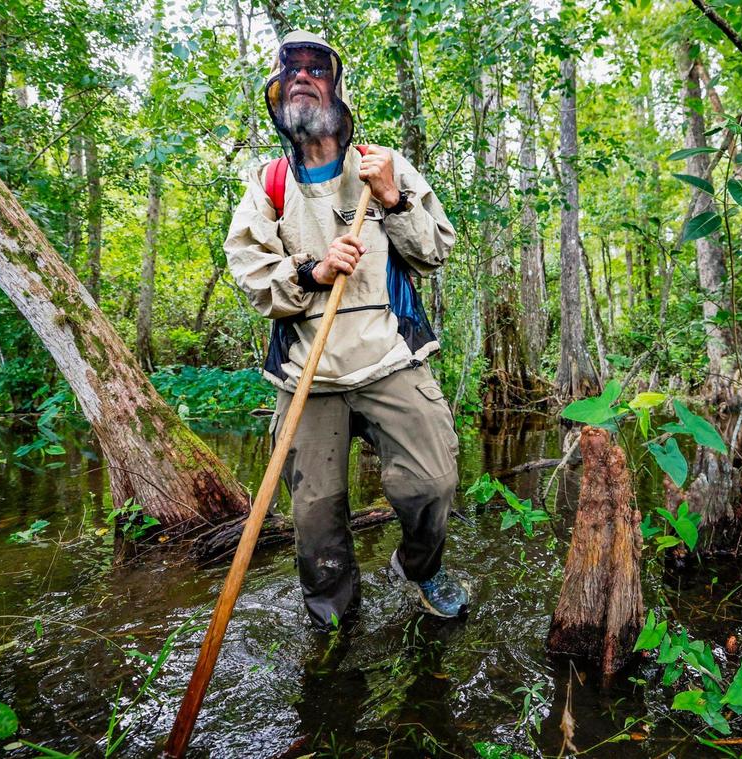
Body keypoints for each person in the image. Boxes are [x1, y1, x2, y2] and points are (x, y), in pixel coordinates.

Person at [224, 30, 469, 630]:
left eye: (316, 68)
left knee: (432, 483)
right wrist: (312, 270)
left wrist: (393, 199)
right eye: (292, 70)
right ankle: (333, 619)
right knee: (315, 518)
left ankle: (418, 568)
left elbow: (435, 252)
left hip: (390, 357)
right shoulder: (269, 183)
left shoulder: (380, 166)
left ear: (335, 88)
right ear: (278, 94)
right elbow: (252, 275)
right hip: (308, 369)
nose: (303, 77)